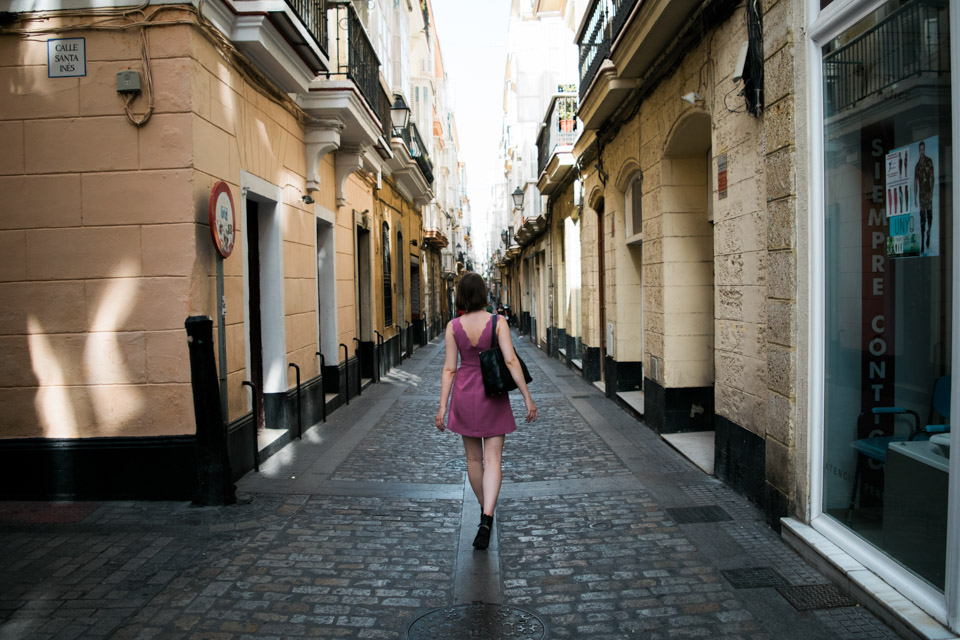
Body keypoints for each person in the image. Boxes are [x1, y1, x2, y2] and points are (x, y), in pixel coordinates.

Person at [435, 272, 537, 550]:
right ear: (483, 294)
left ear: (462, 296)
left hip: (465, 395)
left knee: (473, 461)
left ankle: (484, 512)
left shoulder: (453, 326)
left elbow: (449, 369)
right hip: (493, 395)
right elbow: (511, 361)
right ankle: (488, 514)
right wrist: (527, 398)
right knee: (494, 461)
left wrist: (443, 406)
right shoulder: (498, 322)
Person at [913, 140, 935, 253]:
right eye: (920, 149)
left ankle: (928, 233)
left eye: (923, 149)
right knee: (922, 219)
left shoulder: (929, 161)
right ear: (919, 150)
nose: (922, 151)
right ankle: (922, 243)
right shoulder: (917, 166)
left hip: (928, 194)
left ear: (924, 149)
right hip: (921, 196)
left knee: (930, 217)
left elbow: (932, 177)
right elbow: (915, 183)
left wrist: (931, 191)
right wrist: (915, 198)